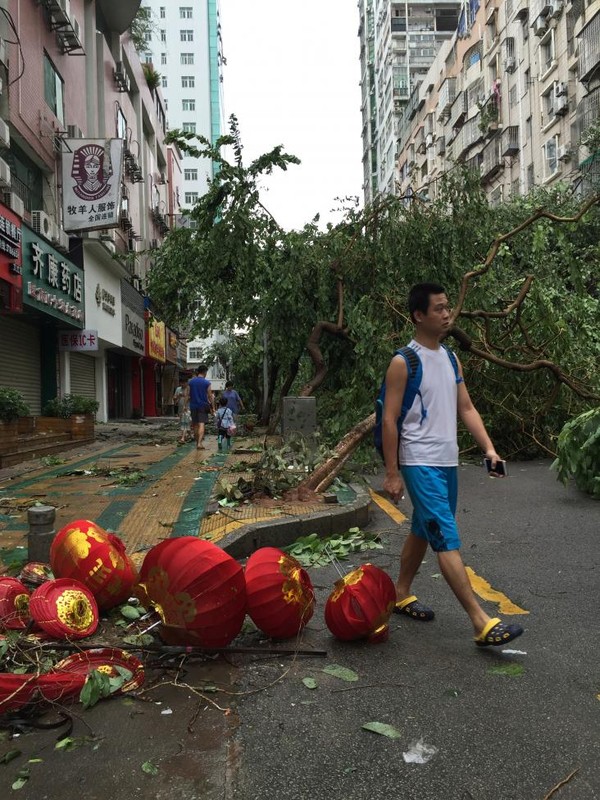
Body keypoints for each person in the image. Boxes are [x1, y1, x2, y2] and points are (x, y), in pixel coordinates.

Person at [382, 282, 524, 648]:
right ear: (419, 315)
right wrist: (393, 472)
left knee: (422, 527)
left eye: (448, 307)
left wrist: (490, 449)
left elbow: (466, 407)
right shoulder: (403, 362)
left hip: (447, 461)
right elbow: (390, 419)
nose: (448, 314)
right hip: (419, 461)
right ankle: (480, 621)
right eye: (440, 309)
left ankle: (399, 593)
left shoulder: (449, 358)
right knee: (444, 534)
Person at [186, 365, 215, 450]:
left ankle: (196, 443)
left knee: (195, 425)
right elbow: (210, 396)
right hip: (203, 405)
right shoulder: (207, 383)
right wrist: (213, 408)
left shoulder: (191, 382)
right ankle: (199, 443)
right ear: (205, 372)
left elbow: (187, 395)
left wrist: (185, 406)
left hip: (193, 405)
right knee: (201, 424)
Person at [173, 377, 191, 444]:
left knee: (185, 421)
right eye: (181, 383)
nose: (183, 384)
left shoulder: (189, 389)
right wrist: (178, 396)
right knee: (183, 422)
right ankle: (190, 435)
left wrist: (186, 396)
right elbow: (174, 398)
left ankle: (183, 437)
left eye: (184, 383)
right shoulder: (178, 389)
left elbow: (190, 397)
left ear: (187, 383)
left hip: (188, 408)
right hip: (180, 408)